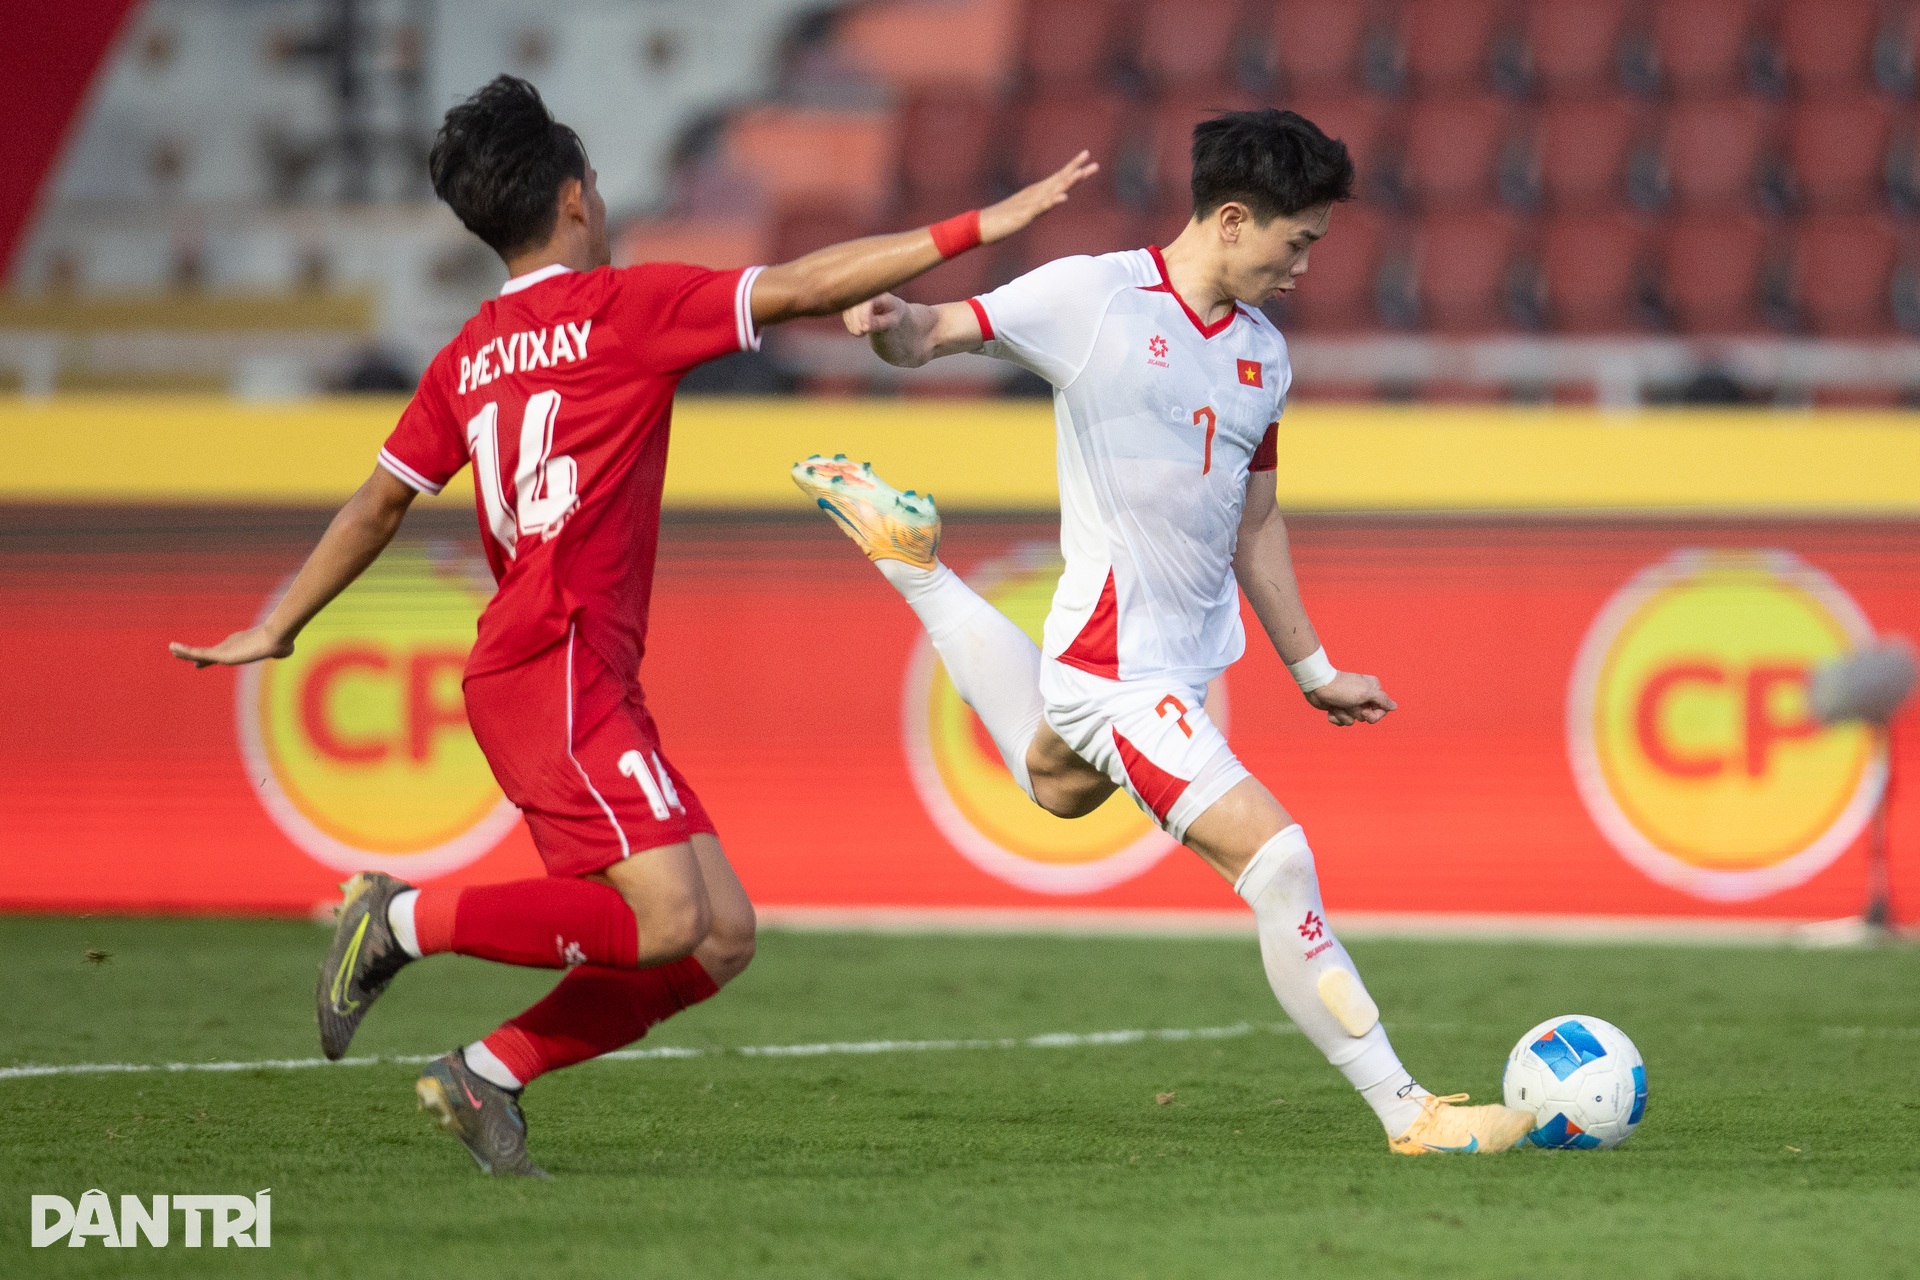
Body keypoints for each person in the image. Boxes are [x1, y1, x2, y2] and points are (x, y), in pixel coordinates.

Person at [170, 75, 1095, 1176]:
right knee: (662, 922)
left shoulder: (468, 354)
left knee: (719, 934)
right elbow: (799, 285)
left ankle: (489, 1071)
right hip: (557, 664)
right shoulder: (624, 309)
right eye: (597, 183)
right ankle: (400, 918)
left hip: (561, 668)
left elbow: (379, 501)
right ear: (573, 200)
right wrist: (981, 224)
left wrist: (278, 622)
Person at [792, 109, 1533, 1155]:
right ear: (1232, 220)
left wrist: (1312, 667)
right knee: (1277, 857)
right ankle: (1408, 1111)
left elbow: (1257, 520)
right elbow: (936, 335)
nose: (1305, 266)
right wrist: (893, 317)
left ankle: (916, 564)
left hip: (1179, 665)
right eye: (1297, 241)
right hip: (1116, 671)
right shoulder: (1091, 296)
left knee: (1055, 784)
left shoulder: (1264, 359)